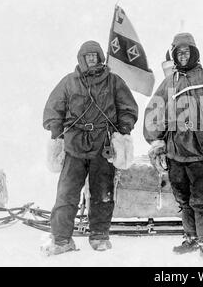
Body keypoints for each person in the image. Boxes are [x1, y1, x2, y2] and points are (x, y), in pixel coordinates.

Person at [144, 33, 203, 262]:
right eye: (179, 52)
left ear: (194, 52)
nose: (183, 56)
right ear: (174, 55)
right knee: (183, 199)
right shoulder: (168, 83)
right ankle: (191, 238)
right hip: (176, 153)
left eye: (187, 51)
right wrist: (156, 143)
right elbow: (154, 113)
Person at [42, 40, 138, 256]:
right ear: (81, 58)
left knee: (102, 193)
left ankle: (99, 236)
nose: (92, 59)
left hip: (102, 145)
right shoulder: (69, 82)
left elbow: (128, 108)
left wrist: (124, 127)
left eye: (95, 55)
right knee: (66, 194)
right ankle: (61, 239)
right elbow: (52, 109)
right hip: (74, 145)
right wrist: (56, 130)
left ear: (101, 58)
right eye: (88, 56)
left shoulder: (113, 81)